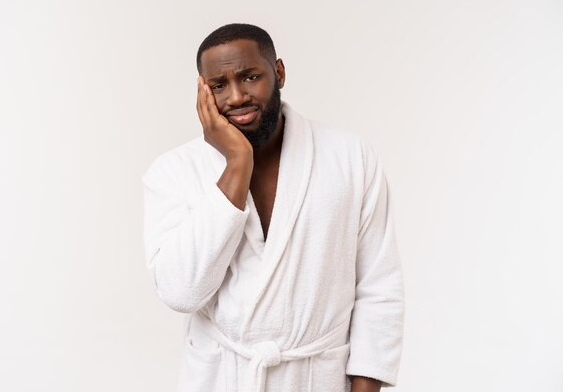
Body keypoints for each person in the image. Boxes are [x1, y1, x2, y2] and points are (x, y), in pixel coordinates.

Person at [141, 23, 404, 392]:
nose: (235, 97)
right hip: (222, 379)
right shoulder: (174, 172)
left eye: (250, 77)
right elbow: (180, 291)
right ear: (203, 90)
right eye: (219, 85)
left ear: (278, 72)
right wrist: (236, 163)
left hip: (317, 379)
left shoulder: (348, 156)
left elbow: (379, 286)